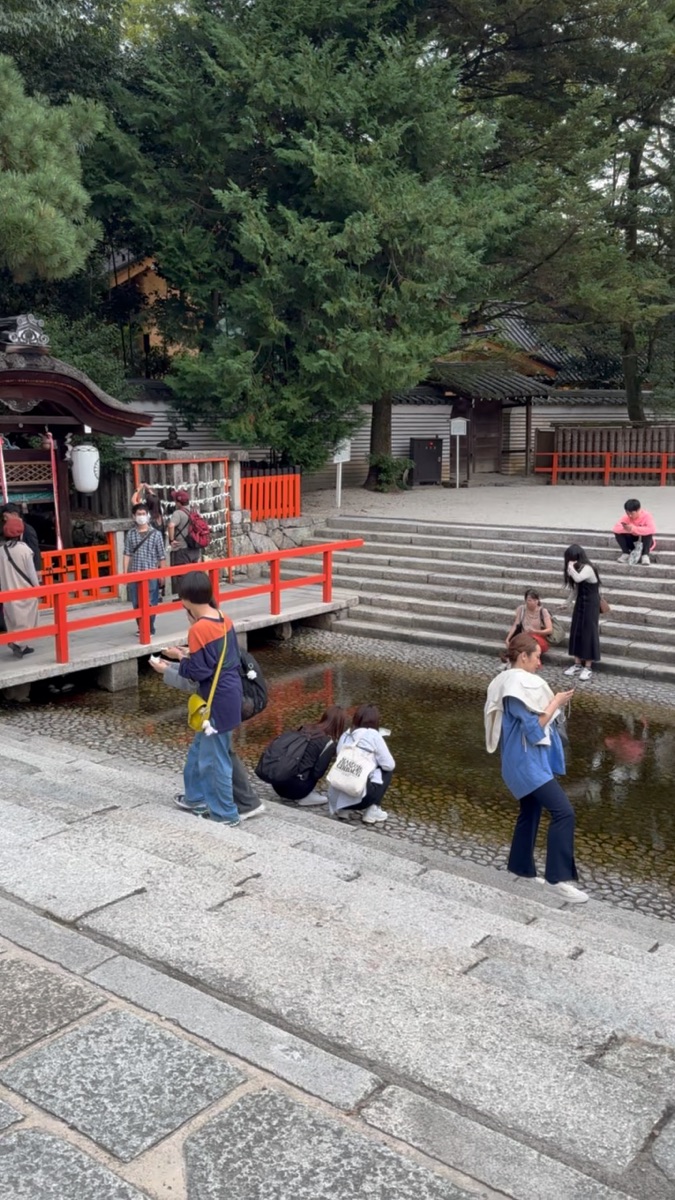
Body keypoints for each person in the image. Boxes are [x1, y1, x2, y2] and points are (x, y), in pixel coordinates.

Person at [484, 633, 588, 903]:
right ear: (523, 656)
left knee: (530, 812)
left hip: (520, 760)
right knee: (564, 812)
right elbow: (532, 730)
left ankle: (520, 868)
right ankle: (557, 879)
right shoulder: (516, 687)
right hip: (526, 762)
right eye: (537, 657)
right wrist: (555, 702)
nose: (539, 664)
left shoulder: (510, 682)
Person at [155, 571, 242, 825]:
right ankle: (195, 798)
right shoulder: (223, 617)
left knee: (214, 761)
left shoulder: (198, 628)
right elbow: (215, 660)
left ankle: (226, 814)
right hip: (229, 691)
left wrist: (168, 667)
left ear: (187, 600)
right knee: (199, 751)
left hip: (216, 699)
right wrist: (183, 654)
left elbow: (199, 671)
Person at [152, 655, 266, 821]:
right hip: (227, 701)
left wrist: (168, 669)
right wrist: (176, 662)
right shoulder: (221, 638)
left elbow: (198, 678)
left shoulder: (206, 636)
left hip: (220, 705)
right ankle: (196, 798)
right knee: (203, 750)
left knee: (217, 757)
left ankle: (234, 809)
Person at [327, 703, 395, 824]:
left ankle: (344, 808)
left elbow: (340, 756)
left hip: (337, 792)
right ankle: (372, 809)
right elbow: (389, 764)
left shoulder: (346, 734)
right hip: (361, 797)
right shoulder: (374, 735)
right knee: (387, 770)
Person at [270, 706, 349, 806]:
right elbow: (317, 773)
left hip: (277, 783)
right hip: (296, 789)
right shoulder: (328, 743)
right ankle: (304, 795)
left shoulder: (305, 728)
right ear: (339, 724)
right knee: (313, 772)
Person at [123, 503, 166, 637]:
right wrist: (125, 573)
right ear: (134, 516)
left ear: (147, 516)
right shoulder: (131, 534)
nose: (141, 517)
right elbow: (127, 553)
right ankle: (141, 626)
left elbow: (162, 556)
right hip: (135, 573)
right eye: (138, 514)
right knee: (136, 603)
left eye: (143, 514)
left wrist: (162, 574)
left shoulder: (156, 534)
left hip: (151, 573)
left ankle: (149, 627)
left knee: (151, 602)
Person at [0, 514, 39, 657]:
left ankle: (18, 643)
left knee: (13, 619)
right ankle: (19, 643)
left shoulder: (1, 551)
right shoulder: (24, 549)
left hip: (7, 591)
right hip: (24, 589)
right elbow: (31, 572)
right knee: (27, 619)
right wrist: (37, 587)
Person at [563, 543, 600, 682]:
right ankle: (577, 663)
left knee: (589, 631)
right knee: (577, 630)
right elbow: (576, 589)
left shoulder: (588, 568)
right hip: (580, 602)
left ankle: (588, 666)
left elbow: (578, 579)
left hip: (591, 603)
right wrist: (567, 603)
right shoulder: (576, 569)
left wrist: (571, 567)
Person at [168, 489, 201, 596]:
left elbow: (171, 525)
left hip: (182, 548)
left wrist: (172, 540)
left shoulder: (178, 513)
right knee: (194, 574)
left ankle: (185, 597)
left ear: (178, 502)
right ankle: (195, 595)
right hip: (195, 547)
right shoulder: (194, 511)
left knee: (182, 574)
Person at [505, 588, 553, 655]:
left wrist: (535, 631)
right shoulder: (521, 609)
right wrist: (508, 638)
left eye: (535, 600)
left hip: (537, 638)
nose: (532, 602)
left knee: (529, 647)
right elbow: (516, 624)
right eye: (529, 600)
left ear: (538, 600)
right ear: (525, 601)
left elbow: (550, 630)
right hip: (524, 636)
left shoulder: (543, 611)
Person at [612, 499, 656, 565]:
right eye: (627, 513)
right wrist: (628, 529)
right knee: (618, 533)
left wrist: (633, 528)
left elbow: (652, 529)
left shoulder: (647, 516)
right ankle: (626, 553)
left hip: (645, 542)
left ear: (638, 510)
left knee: (648, 533)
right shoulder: (626, 517)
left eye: (632, 513)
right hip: (633, 541)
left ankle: (645, 555)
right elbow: (616, 528)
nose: (630, 516)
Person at [1, 504, 41, 572]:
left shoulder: (27, 529)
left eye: (6, 517)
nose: (4, 519)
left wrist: (37, 570)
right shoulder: (5, 529)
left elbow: (35, 550)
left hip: (25, 566)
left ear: (15, 514)